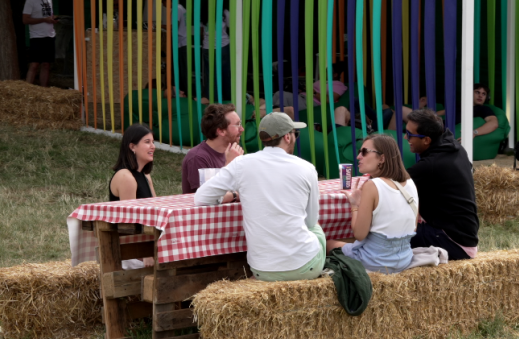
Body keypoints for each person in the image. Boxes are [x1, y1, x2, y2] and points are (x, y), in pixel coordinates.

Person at [194, 112, 325, 282]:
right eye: (295, 134)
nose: (295, 138)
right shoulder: (306, 168)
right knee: (315, 228)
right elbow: (311, 221)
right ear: (287, 137)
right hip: (304, 266)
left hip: (261, 269)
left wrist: (231, 195)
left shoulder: (242, 163)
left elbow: (201, 197)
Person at [327, 134, 419, 273]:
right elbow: (413, 228)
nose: (358, 156)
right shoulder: (411, 183)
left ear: (382, 158)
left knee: (329, 243)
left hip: (375, 262)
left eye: (364, 152)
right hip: (404, 259)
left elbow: (359, 234)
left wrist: (355, 206)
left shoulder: (372, 185)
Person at [403, 109, 479, 260]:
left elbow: (387, 186)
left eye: (410, 135)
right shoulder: (454, 147)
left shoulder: (431, 164)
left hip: (452, 242)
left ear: (426, 140)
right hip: (465, 236)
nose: (406, 138)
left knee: (386, 239)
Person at [108, 123, 158, 268]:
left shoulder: (145, 175)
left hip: (146, 243)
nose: (153, 146)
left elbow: (154, 212)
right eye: (147, 142)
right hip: (131, 251)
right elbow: (131, 221)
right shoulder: (126, 177)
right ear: (132, 147)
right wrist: (146, 254)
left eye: (153, 142)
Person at [180, 103, 245, 194]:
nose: (242, 129)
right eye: (237, 125)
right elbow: (207, 197)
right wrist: (229, 164)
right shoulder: (198, 157)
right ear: (221, 131)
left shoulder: (233, 153)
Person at [22, 0, 57, 87]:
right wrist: (43, 19)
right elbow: (25, 20)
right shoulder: (31, 0)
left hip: (49, 35)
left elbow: (48, 16)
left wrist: (52, 19)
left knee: (46, 64)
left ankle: (43, 89)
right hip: (37, 36)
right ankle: (27, 90)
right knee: (34, 64)